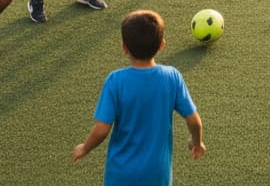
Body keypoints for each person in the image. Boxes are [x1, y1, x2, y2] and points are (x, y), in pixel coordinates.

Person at [71, 10, 204, 182]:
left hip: (121, 172)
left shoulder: (116, 81)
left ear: (124, 47)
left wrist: (85, 148)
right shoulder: (172, 77)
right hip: (157, 173)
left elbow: (102, 129)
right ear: (161, 45)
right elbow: (194, 120)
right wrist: (196, 142)